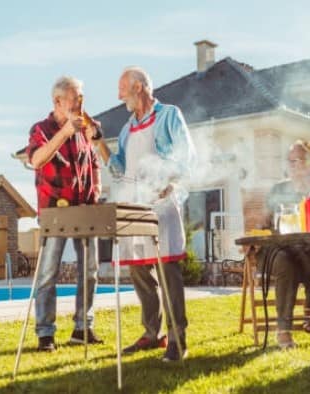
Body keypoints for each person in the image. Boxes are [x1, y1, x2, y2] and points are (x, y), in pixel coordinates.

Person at [95, 66, 195, 362]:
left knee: (168, 273)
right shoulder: (126, 129)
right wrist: (98, 141)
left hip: (161, 205)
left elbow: (185, 155)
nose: (118, 95)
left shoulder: (169, 115)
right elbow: (117, 169)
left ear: (138, 87)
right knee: (139, 271)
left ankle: (178, 339)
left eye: (122, 88)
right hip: (134, 206)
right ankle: (153, 333)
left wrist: (173, 182)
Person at [26, 76, 103, 351]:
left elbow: (94, 163)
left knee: (90, 271)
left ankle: (83, 328)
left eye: (82, 97)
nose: (80, 103)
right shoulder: (41, 129)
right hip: (54, 213)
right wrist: (65, 133)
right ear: (58, 101)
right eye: (75, 98)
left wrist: (96, 194)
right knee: (48, 273)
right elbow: (36, 159)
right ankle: (45, 334)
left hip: (84, 211)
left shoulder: (84, 131)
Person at [256, 140, 310, 349]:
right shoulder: (278, 189)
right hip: (277, 251)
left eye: (296, 160)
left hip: (309, 250)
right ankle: (284, 331)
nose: (291, 165)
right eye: (289, 161)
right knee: (285, 261)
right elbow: (263, 224)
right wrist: (260, 228)